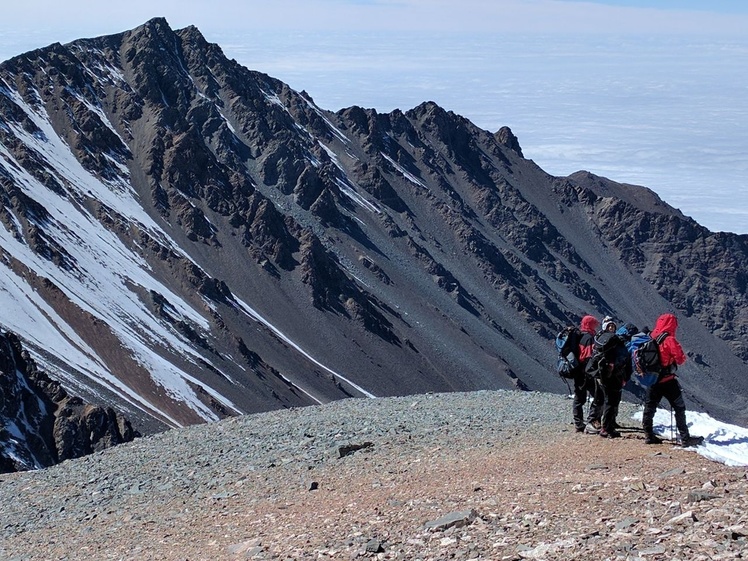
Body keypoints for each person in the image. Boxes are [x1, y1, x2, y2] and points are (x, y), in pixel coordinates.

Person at [641, 313, 703, 447]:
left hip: (653, 379)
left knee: (650, 407)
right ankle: (685, 438)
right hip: (668, 380)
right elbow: (681, 359)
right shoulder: (669, 339)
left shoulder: (650, 336)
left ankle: (648, 435)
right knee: (679, 408)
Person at [572, 315, 603, 433]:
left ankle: (578, 423)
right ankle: (592, 421)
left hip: (577, 372)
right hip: (587, 373)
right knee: (599, 396)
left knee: (579, 398)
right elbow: (589, 356)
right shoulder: (590, 338)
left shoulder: (579, 336)